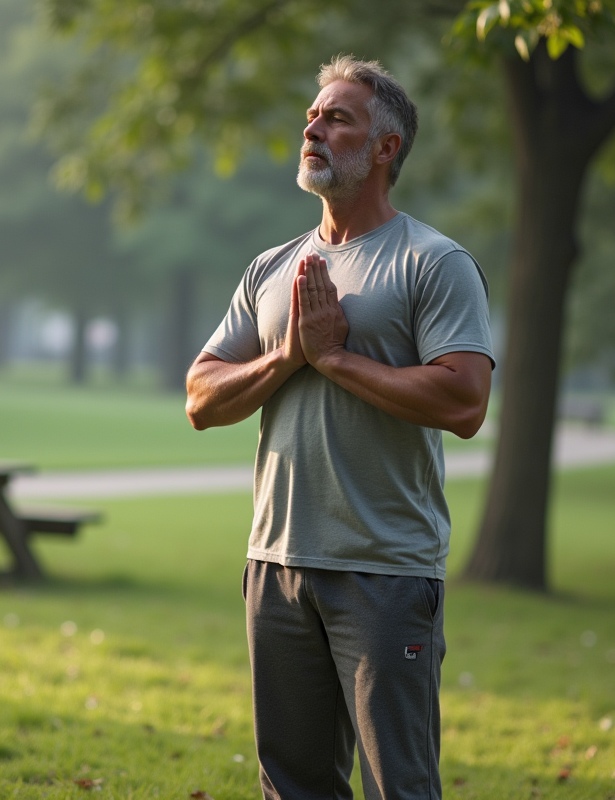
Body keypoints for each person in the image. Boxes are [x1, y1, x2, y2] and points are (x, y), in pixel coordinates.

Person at [185, 55, 495, 800]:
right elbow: (201, 397)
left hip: (384, 568)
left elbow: (464, 402)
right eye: (313, 115)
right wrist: (290, 355)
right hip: (277, 562)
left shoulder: (434, 262)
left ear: (385, 148)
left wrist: (334, 360)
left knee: (401, 785)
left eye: (337, 117)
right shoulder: (272, 268)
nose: (312, 127)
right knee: (293, 785)